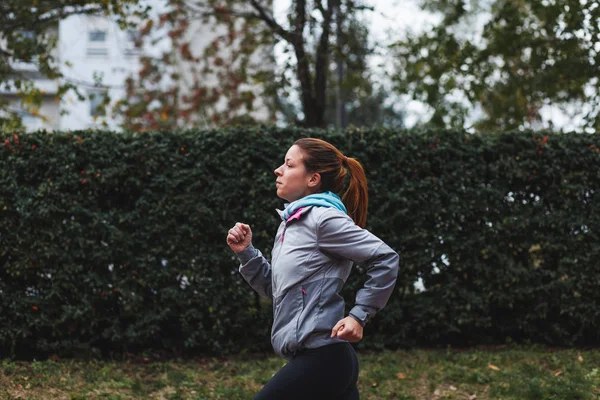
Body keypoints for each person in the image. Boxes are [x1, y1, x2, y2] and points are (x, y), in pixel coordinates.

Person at [226, 138, 399, 400]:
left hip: (324, 358)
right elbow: (277, 288)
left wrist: (359, 315)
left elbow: (385, 258)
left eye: (288, 164)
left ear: (313, 179)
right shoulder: (291, 224)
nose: (278, 170)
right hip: (323, 359)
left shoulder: (323, 219)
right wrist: (247, 253)